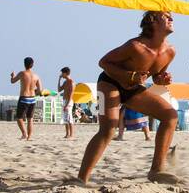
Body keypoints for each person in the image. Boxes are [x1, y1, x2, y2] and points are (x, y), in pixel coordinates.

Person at [77, 11, 179, 183]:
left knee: (170, 116)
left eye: (171, 16)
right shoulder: (136, 46)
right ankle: (81, 179)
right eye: (166, 16)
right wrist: (130, 76)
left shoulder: (170, 51)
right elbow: (104, 63)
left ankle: (156, 170)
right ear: (153, 22)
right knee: (108, 129)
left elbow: (156, 76)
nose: (171, 18)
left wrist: (163, 79)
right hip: (110, 82)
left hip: (134, 88)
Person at [10, 57, 43, 141]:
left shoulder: (22, 73)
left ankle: (24, 133)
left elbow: (13, 81)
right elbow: (40, 91)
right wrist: (34, 92)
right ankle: (29, 137)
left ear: (24, 64)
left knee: (19, 118)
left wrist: (12, 76)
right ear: (32, 65)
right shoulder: (36, 76)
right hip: (32, 99)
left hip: (24, 98)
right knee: (30, 119)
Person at [58, 67, 76, 139]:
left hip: (69, 101)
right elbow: (59, 90)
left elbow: (71, 95)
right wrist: (59, 79)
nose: (61, 74)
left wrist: (67, 105)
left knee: (69, 118)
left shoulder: (71, 82)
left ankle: (71, 134)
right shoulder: (65, 82)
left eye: (62, 73)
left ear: (66, 73)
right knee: (65, 118)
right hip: (65, 100)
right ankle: (67, 134)